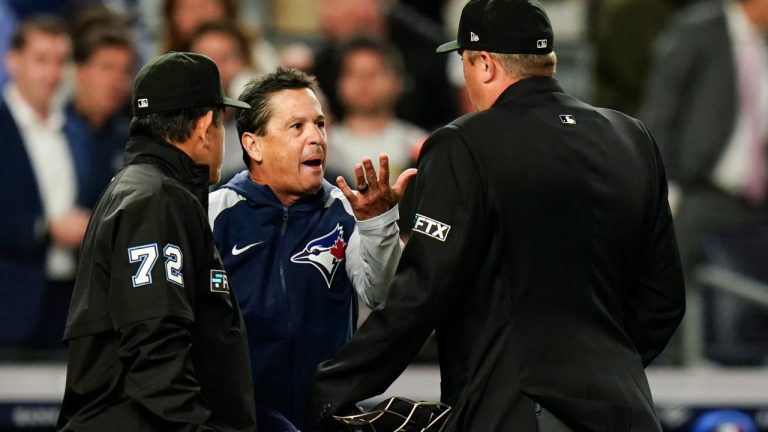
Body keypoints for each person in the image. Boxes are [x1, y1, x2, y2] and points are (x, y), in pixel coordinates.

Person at [311, 0, 685, 431]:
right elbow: (664, 299)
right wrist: (599, 371)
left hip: (521, 410)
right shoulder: (632, 138)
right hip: (626, 408)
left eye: (466, 63)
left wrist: (331, 389)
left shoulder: (464, 143)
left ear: (485, 65)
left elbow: (421, 295)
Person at [58, 52, 257, 431]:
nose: (221, 136)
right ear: (202, 126)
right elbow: (155, 345)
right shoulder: (157, 199)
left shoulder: (141, 188)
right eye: (220, 121)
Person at [208, 67, 416, 430]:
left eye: (319, 124)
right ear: (252, 144)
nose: (316, 137)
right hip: (239, 419)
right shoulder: (214, 214)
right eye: (296, 127)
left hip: (325, 416)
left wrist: (379, 224)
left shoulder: (344, 210)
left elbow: (381, 293)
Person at [640, 0, 768, 365]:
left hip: (757, 195)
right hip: (700, 190)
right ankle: (666, 379)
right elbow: (660, 111)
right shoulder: (698, 32)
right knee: (665, 272)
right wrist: (664, 186)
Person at [0, 14, 85, 351]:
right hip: (10, 300)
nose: (52, 73)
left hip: (71, 299)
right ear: (13, 60)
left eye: (60, 61)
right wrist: (45, 228)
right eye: (41, 60)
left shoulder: (75, 130)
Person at [64, 8, 136, 208]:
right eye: (106, 67)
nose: (117, 81)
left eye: (125, 71)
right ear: (79, 70)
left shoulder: (131, 138)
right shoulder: (55, 131)